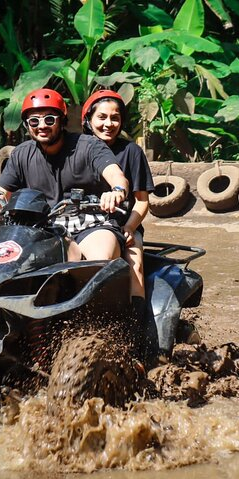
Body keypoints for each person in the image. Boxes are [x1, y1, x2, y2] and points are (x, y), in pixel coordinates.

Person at [0, 88, 129, 262]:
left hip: (91, 225)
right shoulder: (21, 154)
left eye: (49, 119)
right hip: (41, 229)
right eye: (34, 121)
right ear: (27, 125)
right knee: (2, 262)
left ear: (62, 121)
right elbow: (0, 196)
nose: (41, 126)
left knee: (98, 260)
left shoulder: (89, 145)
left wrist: (116, 191)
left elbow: (116, 175)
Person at [81, 90, 154, 319]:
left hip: (123, 225)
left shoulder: (131, 152)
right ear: (88, 120)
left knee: (135, 266)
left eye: (115, 118)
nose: (108, 124)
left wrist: (130, 228)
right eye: (101, 117)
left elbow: (142, 202)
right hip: (80, 226)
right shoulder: (77, 150)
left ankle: (137, 330)